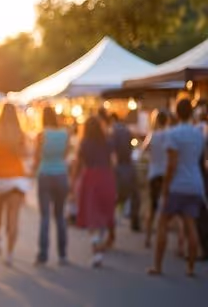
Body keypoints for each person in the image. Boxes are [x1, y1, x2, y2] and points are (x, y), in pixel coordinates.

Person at [149, 99, 206, 277]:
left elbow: (172, 164)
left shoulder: (173, 134)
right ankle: (190, 268)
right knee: (191, 225)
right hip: (195, 183)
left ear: (177, 113)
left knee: (163, 224)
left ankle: (158, 266)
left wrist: (166, 187)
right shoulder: (199, 134)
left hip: (177, 185)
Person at [0, 102, 30, 267]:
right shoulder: (20, 133)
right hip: (17, 177)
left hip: (0, 177)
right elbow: (25, 153)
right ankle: (10, 253)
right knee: (14, 217)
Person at [75, 116, 117, 268]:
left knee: (92, 214)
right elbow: (113, 162)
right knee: (104, 212)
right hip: (106, 177)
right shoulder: (107, 142)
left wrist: (74, 184)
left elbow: (78, 164)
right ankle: (101, 240)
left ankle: (96, 249)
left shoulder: (84, 144)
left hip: (90, 178)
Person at [33, 107, 70, 266]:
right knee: (60, 216)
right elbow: (66, 154)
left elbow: (37, 155)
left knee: (45, 217)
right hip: (61, 174)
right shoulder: (65, 134)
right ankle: (62, 254)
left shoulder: (41, 135)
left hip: (45, 174)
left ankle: (43, 254)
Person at [142, 110, 170, 248]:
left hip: (154, 174)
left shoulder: (153, 135)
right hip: (167, 174)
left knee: (152, 208)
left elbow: (144, 149)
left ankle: (147, 238)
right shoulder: (170, 135)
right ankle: (165, 236)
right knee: (167, 208)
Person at [111, 113, 141, 234]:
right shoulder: (126, 131)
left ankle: (108, 219)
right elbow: (134, 145)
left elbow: (113, 153)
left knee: (119, 195)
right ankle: (135, 221)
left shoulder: (114, 132)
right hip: (128, 166)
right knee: (134, 195)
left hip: (120, 167)